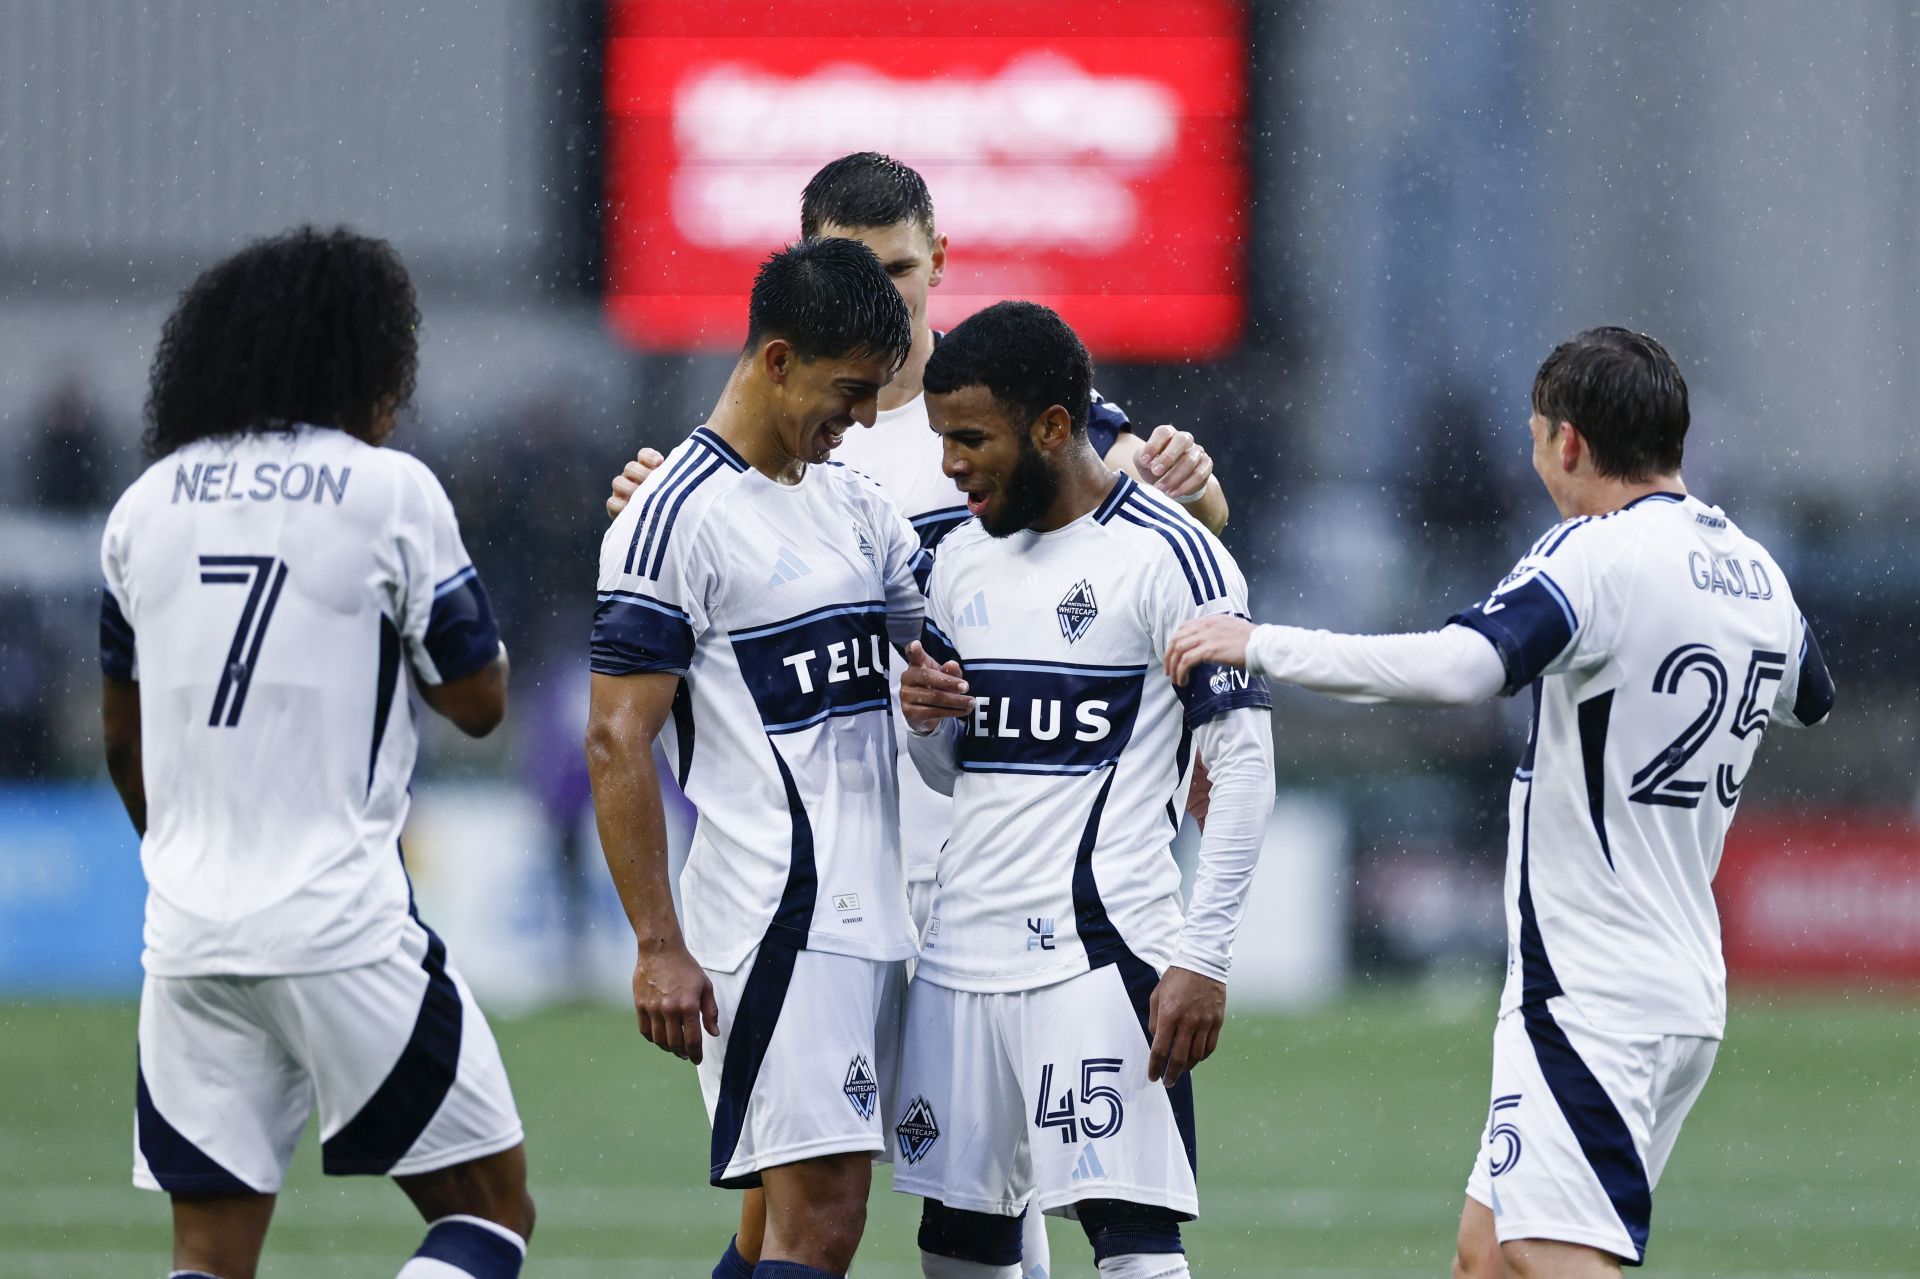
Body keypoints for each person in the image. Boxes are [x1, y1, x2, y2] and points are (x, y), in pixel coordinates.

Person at [604, 150, 1232, 1279]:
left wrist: (1196, 496)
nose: (885, 295)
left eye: (899, 266)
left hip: (985, 869)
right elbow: (626, 711)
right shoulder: (781, 465)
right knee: (813, 1202)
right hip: (813, 886)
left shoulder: (992, 401)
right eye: (856, 270)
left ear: (938, 259)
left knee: (969, 1194)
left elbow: (1165, 532)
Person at [1162, 328, 1835, 1278]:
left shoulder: (1595, 553)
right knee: (1487, 1255)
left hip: (1592, 985)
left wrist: (1260, 642)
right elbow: (1811, 697)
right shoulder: (1756, 569)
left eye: (1534, 438)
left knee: (1546, 1253)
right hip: (1679, 979)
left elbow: (1461, 666)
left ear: (1567, 443)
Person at [99, 226, 533, 1279]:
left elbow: (124, 740)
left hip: (189, 930)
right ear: (359, 359)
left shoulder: (143, 506)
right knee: (487, 1215)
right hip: (341, 917)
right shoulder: (388, 489)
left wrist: (201, 851)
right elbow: (478, 703)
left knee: (207, 1255)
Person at [893, 301, 1278, 1279]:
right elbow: (954, 769)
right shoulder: (957, 559)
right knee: (961, 1254)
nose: (950, 464)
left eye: (971, 439)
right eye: (943, 439)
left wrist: (1206, 952)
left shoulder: (1170, 553)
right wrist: (927, 720)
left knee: (1132, 1244)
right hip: (961, 958)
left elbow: (1242, 766)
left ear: (1055, 428)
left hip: (1099, 958)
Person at [584, 236, 925, 1279]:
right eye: (849, 390)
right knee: (822, 1219)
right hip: (776, 913)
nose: (862, 419)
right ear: (777, 360)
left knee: (781, 1225)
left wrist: (936, 684)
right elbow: (616, 737)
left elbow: (938, 645)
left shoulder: (855, 504)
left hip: (871, 912)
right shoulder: (671, 517)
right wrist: (655, 943)